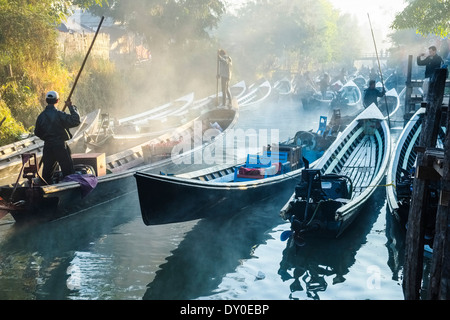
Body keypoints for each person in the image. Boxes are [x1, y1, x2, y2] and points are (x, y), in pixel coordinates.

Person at [34, 91, 81, 184]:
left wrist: (47, 138)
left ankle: (46, 191)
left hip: (48, 146)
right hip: (60, 146)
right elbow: (76, 120)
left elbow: (37, 132)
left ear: (46, 101)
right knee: (68, 171)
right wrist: (71, 107)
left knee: (47, 173)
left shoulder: (41, 116)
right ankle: (68, 191)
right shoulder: (60, 114)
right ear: (57, 101)